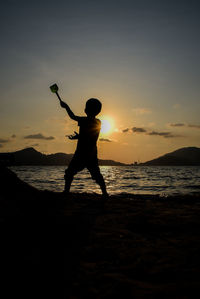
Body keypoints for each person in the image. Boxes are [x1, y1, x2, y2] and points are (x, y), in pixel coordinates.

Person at [59, 97, 108, 198]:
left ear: (86, 110)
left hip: (81, 153)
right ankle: (105, 193)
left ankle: (66, 192)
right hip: (92, 154)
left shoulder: (84, 120)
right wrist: (79, 136)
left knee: (69, 172)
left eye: (86, 107)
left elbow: (72, 116)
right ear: (98, 111)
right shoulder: (98, 122)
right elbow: (91, 136)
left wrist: (66, 106)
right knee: (96, 175)